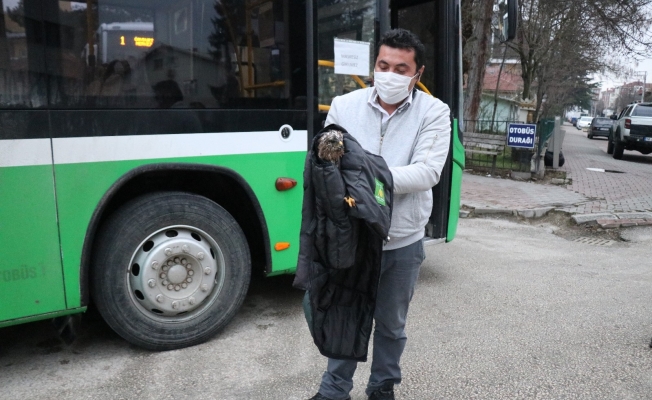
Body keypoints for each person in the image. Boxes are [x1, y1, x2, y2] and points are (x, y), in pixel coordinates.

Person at [308, 29, 451, 400]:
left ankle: (383, 386)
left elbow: (427, 172)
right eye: (383, 65)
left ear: (417, 75)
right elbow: (328, 164)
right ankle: (334, 390)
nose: (389, 74)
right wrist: (365, 180)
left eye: (400, 69)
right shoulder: (344, 105)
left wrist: (363, 177)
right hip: (352, 236)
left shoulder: (434, 112)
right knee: (345, 314)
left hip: (402, 240)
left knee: (391, 325)